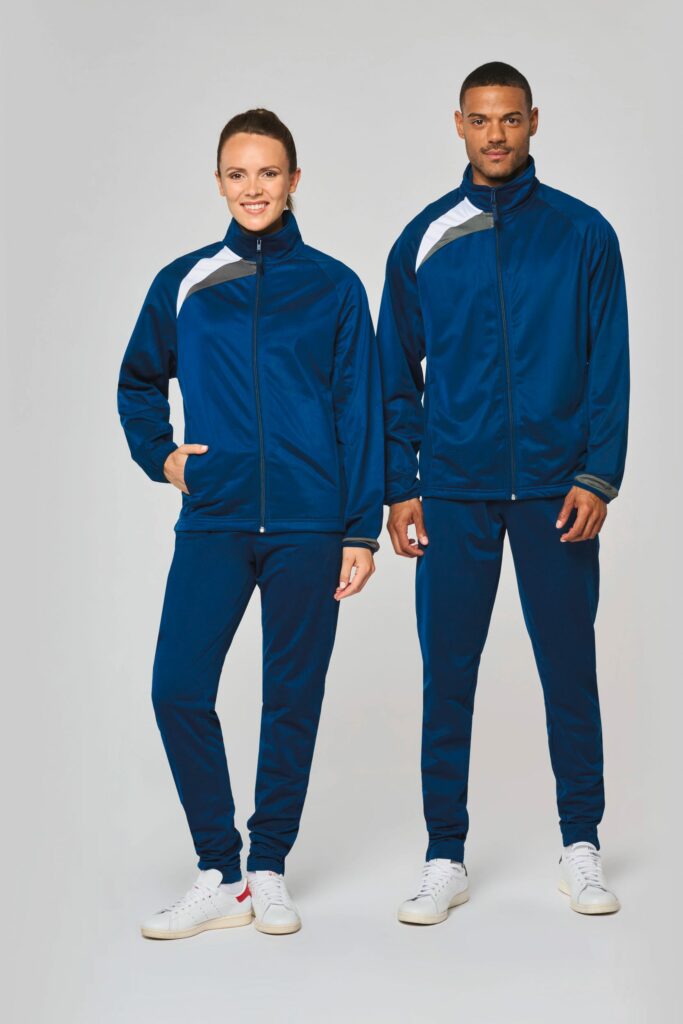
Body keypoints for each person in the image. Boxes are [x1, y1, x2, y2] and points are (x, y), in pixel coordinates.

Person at [117, 108, 383, 937]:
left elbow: (360, 411)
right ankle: (218, 868)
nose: (253, 188)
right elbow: (137, 382)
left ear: (294, 180)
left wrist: (359, 530)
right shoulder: (185, 282)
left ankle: (267, 867)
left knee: (291, 697)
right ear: (219, 182)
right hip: (217, 517)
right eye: (238, 174)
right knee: (176, 688)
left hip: (310, 521)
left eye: (268, 173)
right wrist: (165, 458)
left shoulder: (335, 287)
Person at [377, 62, 629, 923]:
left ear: (532, 122)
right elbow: (393, 374)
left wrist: (597, 473)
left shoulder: (582, 234)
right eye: (480, 120)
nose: (495, 135)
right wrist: (399, 484)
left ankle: (580, 845)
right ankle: (443, 854)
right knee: (447, 673)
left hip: (556, 491)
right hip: (452, 490)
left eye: (509, 119)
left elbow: (608, 362)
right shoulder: (422, 239)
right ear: (458, 124)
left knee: (568, 668)